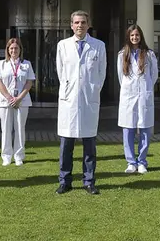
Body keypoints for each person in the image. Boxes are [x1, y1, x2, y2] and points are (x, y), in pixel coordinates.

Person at [55, 10, 107, 195]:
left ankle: (89, 181)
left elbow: (101, 74)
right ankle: (65, 181)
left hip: (88, 100)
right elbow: (61, 73)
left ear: (88, 24)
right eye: (76, 22)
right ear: (71, 25)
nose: (80, 26)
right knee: (66, 145)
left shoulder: (98, 46)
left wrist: (91, 90)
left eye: (83, 22)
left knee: (89, 145)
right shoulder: (63, 45)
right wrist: (70, 89)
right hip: (69, 100)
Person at [116, 24, 158, 175]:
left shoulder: (149, 54)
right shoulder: (122, 54)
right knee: (128, 130)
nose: (135, 38)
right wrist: (131, 89)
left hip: (144, 96)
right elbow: (121, 77)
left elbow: (153, 76)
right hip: (129, 96)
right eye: (132, 35)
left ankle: (142, 162)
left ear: (141, 37)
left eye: (137, 35)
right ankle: (131, 162)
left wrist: (144, 89)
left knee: (145, 130)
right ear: (128, 37)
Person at [0, 38, 36, 166]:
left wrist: (18, 98)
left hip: (22, 101)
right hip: (5, 101)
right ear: (8, 50)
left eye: (16, 48)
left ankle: (18, 156)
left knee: (19, 128)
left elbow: (29, 83)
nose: (13, 50)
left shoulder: (26, 64)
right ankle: (6, 156)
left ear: (20, 50)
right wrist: (9, 98)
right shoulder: (2, 64)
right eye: (11, 48)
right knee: (5, 129)